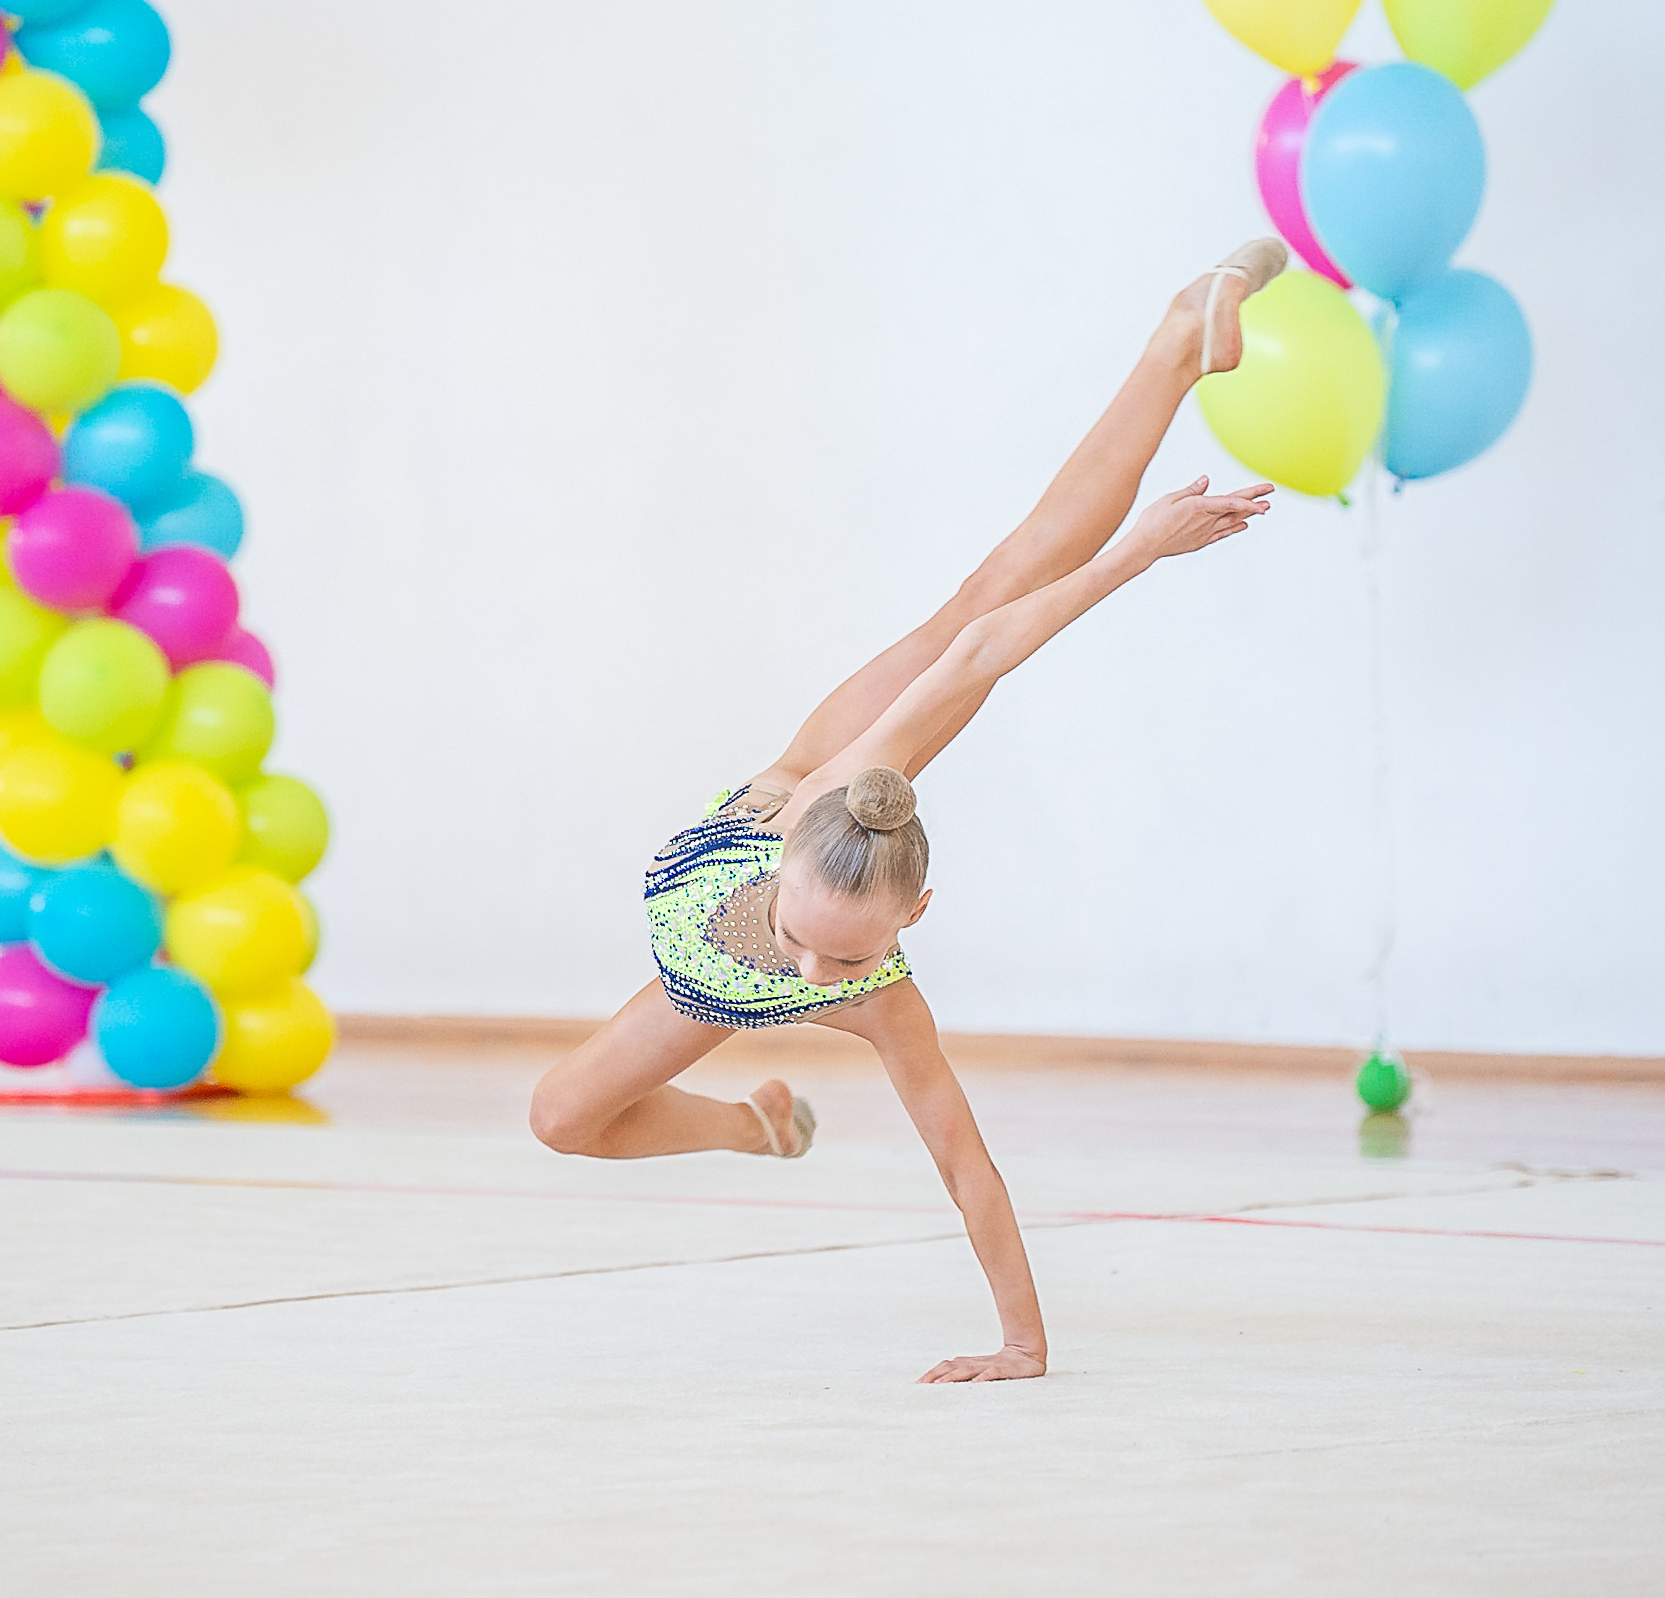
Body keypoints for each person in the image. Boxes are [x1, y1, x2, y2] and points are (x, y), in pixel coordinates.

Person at [528, 239, 1287, 1382]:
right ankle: (761, 1126)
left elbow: (966, 1163)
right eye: (807, 949)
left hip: (767, 912)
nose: (820, 985)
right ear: (778, 876)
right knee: (560, 1117)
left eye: (850, 963)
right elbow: (975, 644)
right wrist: (1134, 551)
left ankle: (1180, 340)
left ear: (911, 916)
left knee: (1005, 590)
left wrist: (1023, 1343)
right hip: (791, 802)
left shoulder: (879, 998)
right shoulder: (822, 798)